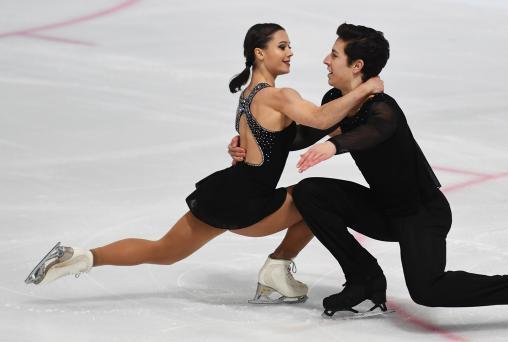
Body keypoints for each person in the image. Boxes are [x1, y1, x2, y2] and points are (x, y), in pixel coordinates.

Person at [24, 23, 384, 306]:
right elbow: (319, 119)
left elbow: (289, 139)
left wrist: (338, 121)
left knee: (162, 251)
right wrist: (365, 89)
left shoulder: (248, 95)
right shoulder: (279, 95)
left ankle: (80, 256)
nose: (291, 53)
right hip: (252, 203)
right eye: (282, 46)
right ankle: (277, 269)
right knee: (317, 201)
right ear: (260, 53)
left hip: (227, 190)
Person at [230, 23, 508, 317]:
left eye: (334, 55)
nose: (325, 59)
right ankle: (365, 280)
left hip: (421, 213)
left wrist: (334, 145)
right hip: (383, 209)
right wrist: (249, 135)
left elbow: (372, 133)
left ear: (357, 65)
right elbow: (298, 135)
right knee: (311, 193)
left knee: (428, 290)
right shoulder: (336, 98)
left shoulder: (384, 109)